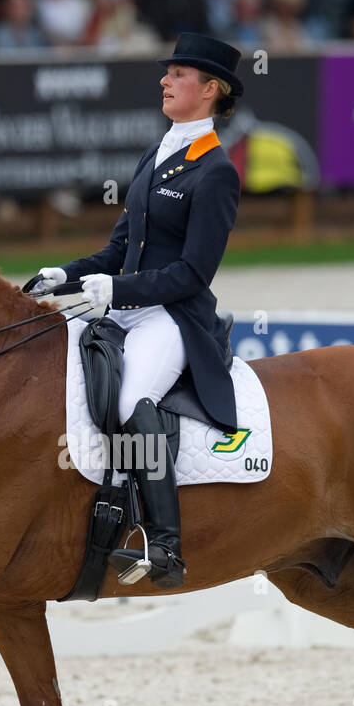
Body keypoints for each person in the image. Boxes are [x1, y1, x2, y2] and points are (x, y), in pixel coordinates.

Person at [30, 33, 244, 590]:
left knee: (131, 400)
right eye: (167, 73)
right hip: (125, 304)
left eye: (177, 75)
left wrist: (117, 292)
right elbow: (117, 251)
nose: (164, 81)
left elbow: (194, 273)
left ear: (211, 89)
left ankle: (166, 544)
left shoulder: (216, 171)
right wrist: (65, 275)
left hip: (173, 317)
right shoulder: (159, 152)